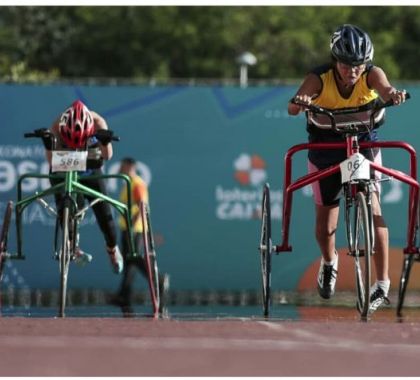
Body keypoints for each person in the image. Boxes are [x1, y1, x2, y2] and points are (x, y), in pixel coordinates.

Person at [288, 24, 407, 313]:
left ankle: (382, 283)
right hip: (326, 148)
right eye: (345, 64)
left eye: (358, 65)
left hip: (363, 144)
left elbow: (386, 88)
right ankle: (329, 264)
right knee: (325, 221)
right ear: (334, 60)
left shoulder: (371, 74)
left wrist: (392, 94)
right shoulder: (319, 78)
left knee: (375, 208)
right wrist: (301, 101)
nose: (352, 70)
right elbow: (293, 107)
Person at [45, 99, 124, 274]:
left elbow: (108, 156)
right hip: (66, 171)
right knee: (67, 210)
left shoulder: (98, 122)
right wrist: (48, 143)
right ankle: (72, 245)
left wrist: (104, 142)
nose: (77, 145)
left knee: (106, 220)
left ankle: (112, 249)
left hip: (90, 172)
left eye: (81, 141)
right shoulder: (57, 126)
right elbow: (51, 161)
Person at [110, 157, 169, 316]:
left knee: (134, 257)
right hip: (127, 228)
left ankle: (159, 279)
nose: (120, 169)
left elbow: (142, 204)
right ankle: (123, 295)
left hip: (133, 229)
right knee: (129, 262)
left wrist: (132, 223)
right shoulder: (127, 183)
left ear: (130, 166)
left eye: (123, 166)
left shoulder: (136, 183)